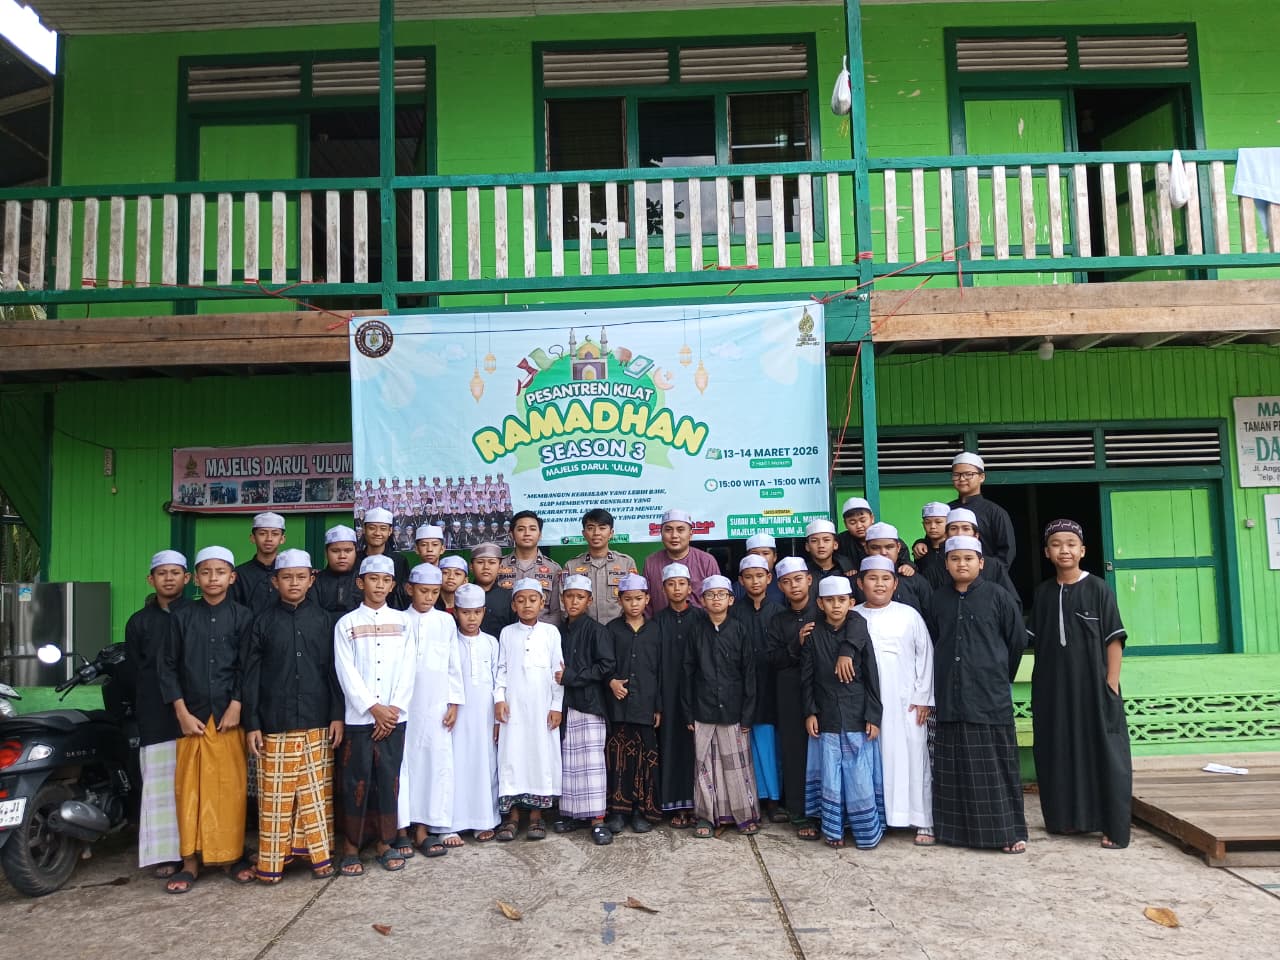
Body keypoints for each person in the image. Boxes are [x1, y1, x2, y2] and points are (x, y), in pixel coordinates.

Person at [1029, 519, 1131, 849]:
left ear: (1082, 550)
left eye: (1071, 544)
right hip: (1054, 691)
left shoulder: (1098, 589)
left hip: (1094, 688)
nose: (1064, 550)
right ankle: (1066, 820)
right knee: (1059, 751)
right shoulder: (1043, 593)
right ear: (1047, 552)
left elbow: (1114, 640)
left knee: (1104, 753)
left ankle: (1112, 827)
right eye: (1056, 544)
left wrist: (1110, 685)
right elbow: (1031, 639)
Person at [242, 549, 344, 883]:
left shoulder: (326, 621)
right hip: (275, 720)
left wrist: (337, 715)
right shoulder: (262, 622)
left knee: (316, 794)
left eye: (301, 576)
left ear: (312, 579)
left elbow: (334, 672)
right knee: (275, 796)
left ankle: (320, 856)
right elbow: (250, 677)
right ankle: (272, 862)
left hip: (318, 718)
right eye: (287, 577)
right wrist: (252, 724)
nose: (294, 583)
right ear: (275, 582)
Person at [159, 545, 256, 893]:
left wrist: (237, 705)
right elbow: (167, 667)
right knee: (190, 792)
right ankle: (190, 861)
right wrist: (181, 712)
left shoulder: (244, 617)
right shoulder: (181, 617)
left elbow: (248, 666)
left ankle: (230, 857)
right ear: (196, 579)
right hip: (192, 718)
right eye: (206, 572)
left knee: (230, 791)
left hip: (228, 716)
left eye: (220, 572)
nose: (213, 578)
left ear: (232, 577)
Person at [927, 536, 1029, 853]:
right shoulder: (937, 599)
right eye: (955, 558)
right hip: (950, 697)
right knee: (954, 767)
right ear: (946, 564)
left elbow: (1016, 642)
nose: (962, 564)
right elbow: (934, 640)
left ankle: (1007, 833)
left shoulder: (999, 597)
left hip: (989, 697)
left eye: (969, 558)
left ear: (981, 563)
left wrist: (996, 674)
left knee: (996, 767)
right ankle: (955, 833)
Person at [332, 554, 416, 876]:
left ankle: (384, 842)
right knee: (356, 781)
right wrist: (373, 708)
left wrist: (392, 710)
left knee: (388, 781)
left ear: (393, 585)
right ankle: (351, 846)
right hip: (360, 718)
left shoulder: (404, 622)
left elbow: (409, 667)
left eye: (385, 580)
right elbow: (346, 671)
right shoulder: (347, 624)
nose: (379, 586)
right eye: (373, 579)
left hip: (393, 718)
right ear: (360, 583)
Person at [854, 556, 934, 844]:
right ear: (860, 583)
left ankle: (922, 820)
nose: (879, 584)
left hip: (906, 703)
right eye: (872, 578)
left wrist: (923, 697)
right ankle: (880, 818)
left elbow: (925, 655)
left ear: (895, 584)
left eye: (885, 578)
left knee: (913, 757)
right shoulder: (852, 615)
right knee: (872, 760)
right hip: (865, 705)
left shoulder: (909, 615)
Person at [802, 576, 885, 850]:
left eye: (841, 600)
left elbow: (872, 677)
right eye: (829, 600)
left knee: (859, 777)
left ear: (851, 602)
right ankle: (833, 830)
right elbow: (807, 679)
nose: (836, 606)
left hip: (856, 715)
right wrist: (810, 712)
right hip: (826, 716)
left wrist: (873, 716)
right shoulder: (813, 635)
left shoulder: (858, 631)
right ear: (820, 603)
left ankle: (865, 833)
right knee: (831, 776)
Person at [124, 549, 189, 882]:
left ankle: (198, 850)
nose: (168, 578)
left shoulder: (195, 614)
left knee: (193, 783)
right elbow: (136, 669)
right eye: (162, 573)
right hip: (155, 712)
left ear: (186, 578)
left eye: (175, 572)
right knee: (160, 784)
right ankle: (165, 854)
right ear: (151, 579)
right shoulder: (139, 622)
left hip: (191, 711)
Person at [682, 575, 759, 838]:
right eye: (710, 595)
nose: (716, 599)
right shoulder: (696, 631)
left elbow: (750, 674)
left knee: (737, 766)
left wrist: (748, 715)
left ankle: (744, 816)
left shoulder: (739, 630)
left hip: (734, 710)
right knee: (704, 766)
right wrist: (688, 714)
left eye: (721, 594)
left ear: (731, 599)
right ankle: (705, 817)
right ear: (702, 601)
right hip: (702, 709)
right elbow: (687, 673)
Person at [400, 562, 466, 858]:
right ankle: (401, 829)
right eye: (423, 591)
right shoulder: (399, 620)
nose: (428, 597)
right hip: (404, 706)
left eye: (434, 592)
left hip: (437, 704)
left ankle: (424, 828)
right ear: (409, 589)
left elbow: (453, 664)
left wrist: (454, 702)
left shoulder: (445, 622)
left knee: (433, 763)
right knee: (404, 764)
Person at [494, 579, 564, 841]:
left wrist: (556, 706)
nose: (527, 605)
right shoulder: (507, 633)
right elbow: (501, 669)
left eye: (532, 600)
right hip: (513, 708)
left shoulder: (551, 633)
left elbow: (558, 672)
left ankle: (536, 816)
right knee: (511, 756)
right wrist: (499, 699)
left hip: (541, 707)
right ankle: (512, 817)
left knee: (539, 756)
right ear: (513, 605)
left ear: (542, 603)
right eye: (521, 600)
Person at [554, 574, 616, 845]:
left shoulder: (596, 630)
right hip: (566, 704)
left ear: (589, 600)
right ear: (562, 599)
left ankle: (598, 820)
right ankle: (573, 814)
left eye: (580, 597)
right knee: (569, 763)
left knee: (592, 765)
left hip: (590, 705)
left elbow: (606, 666)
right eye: (569, 596)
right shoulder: (558, 631)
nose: (574, 601)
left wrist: (572, 677)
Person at [603, 573, 663, 834]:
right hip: (619, 706)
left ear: (647, 599)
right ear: (620, 601)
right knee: (619, 760)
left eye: (639, 598)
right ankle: (618, 812)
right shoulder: (611, 630)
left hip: (646, 705)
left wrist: (658, 706)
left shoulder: (656, 630)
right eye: (628, 599)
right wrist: (611, 681)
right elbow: (604, 662)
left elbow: (661, 670)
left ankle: (640, 810)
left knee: (644, 760)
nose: (634, 604)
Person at [442, 584, 501, 844]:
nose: (472, 618)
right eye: (466, 612)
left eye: (477, 612)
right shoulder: (449, 642)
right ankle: (449, 825)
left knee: (484, 763)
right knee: (454, 764)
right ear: (456, 612)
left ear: (484, 612)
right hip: (455, 715)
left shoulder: (491, 643)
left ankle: (483, 820)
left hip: (484, 714)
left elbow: (499, 681)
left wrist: (498, 719)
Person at [766, 556, 819, 838]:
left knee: (825, 751)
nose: (794, 586)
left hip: (822, 694)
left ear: (809, 580)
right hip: (789, 694)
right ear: (780, 586)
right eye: (786, 582)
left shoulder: (824, 612)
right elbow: (773, 659)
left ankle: (826, 810)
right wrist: (796, 643)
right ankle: (799, 813)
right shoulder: (777, 620)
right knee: (794, 752)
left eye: (798, 579)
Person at [732, 555, 786, 822]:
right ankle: (753, 798)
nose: (755, 581)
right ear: (740, 581)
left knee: (770, 745)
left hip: (772, 687)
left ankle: (774, 799)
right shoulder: (734, 612)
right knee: (747, 745)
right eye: (749, 576)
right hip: (742, 687)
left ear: (769, 578)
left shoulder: (779, 612)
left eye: (760, 576)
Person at [653, 562, 702, 826]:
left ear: (690, 587)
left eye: (682, 583)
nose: (677, 589)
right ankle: (676, 807)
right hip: (669, 696)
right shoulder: (657, 621)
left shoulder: (701, 618)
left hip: (697, 695)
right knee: (672, 747)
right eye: (671, 584)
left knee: (697, 750)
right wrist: (657, 703)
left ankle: (699, 805)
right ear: (663, 589)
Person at [562, 508, 638, 624]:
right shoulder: (571, 566)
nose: (596, 533)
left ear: (611, 533)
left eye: (602, 528)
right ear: (584, 533)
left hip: (618, 629)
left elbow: (634, 598)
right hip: (583, 630)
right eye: (590, 528)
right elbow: (563, 604)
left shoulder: (626, 563)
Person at [642, 508, 721, 613]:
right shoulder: (651, 562)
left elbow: (717, 600)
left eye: (680, 530)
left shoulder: (707, 561)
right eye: (668, 530)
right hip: (661, 622)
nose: (674, 535)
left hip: (700, 623)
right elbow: (646, 605)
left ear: (691, 534)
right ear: (661, 534)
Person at [938, 508, 1021, 606]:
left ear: (976, 535)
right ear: (946, 536)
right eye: (953, 529)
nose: (960, 534)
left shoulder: (993, 566)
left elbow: (1012, 605)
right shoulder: (937, 568)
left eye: (966, 529)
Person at [949, 453, 1016, 568]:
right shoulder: (946, 510)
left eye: (968, 474)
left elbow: (1007, 553)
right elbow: (935, 543)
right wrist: (921, 543)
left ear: (982, 477)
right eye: (956, 475)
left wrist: (986, 571)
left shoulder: (995, 512)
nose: (962, 479)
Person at [497, 511, 563, 626]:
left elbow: (557, 613)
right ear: (511, 534)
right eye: (521, 529)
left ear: (540, 534)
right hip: (505, 632)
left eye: (532, 529)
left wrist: (538, 632)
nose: (527, 533)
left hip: (542, 633)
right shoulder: (499, 566)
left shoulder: (553, 568)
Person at [855, 522, 932, 616]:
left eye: (889, 547)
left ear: (898, 547)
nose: (883, 552)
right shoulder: (856, 584)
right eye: (876, 548)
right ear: (866, 549)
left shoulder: (916, 581)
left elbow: (930, 618)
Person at [231, 512, 287, 614]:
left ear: (282, 539)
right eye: (262, 533)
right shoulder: (239, 575)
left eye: (275, 534)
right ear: (253, 538)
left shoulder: (289, 572)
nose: (269, 539)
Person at [359, 507, 410, 610]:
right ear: (364, 529)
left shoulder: (399, 561)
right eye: (372, 528)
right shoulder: (355, 559)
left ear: (390, 531)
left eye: (383, 528)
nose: (377, 533)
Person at [311, 525, 360, 616]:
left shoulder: (364, 580)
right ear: (326, 553)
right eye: (335, 551)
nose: (342, 556)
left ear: (355, 552)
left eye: (348, 551)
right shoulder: (315, 582)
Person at [469, 542, 513, 639]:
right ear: (471, 567)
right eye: (480, 562)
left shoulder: (508, 598)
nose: (486, 567)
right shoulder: (463, 595)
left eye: (492, 562)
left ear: (500, 567)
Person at [804, 518, 855, 591]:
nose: (821, 545)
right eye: (814, 541)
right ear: (807, 546)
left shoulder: (848, 572)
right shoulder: (803, 574)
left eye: (826, 540)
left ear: (835, 545)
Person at [734, 533, 785, 606]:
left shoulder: (784, 584)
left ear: (775, 557)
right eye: (755, 553)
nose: (760, 558)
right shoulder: (737, 588)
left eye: (765, 553)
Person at [911, 501, 951, 585]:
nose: (932, 526)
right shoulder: (920, 549)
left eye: (938, 522)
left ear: (948, 523)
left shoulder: (954, 548)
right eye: (927, 522)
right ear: (923, 524)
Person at [835, 497, 875, 567]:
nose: (859, 526)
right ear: (845, 524)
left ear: (872, 518)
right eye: (852, 522)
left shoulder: (883, 536)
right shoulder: (840, 541)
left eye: (863, 520)